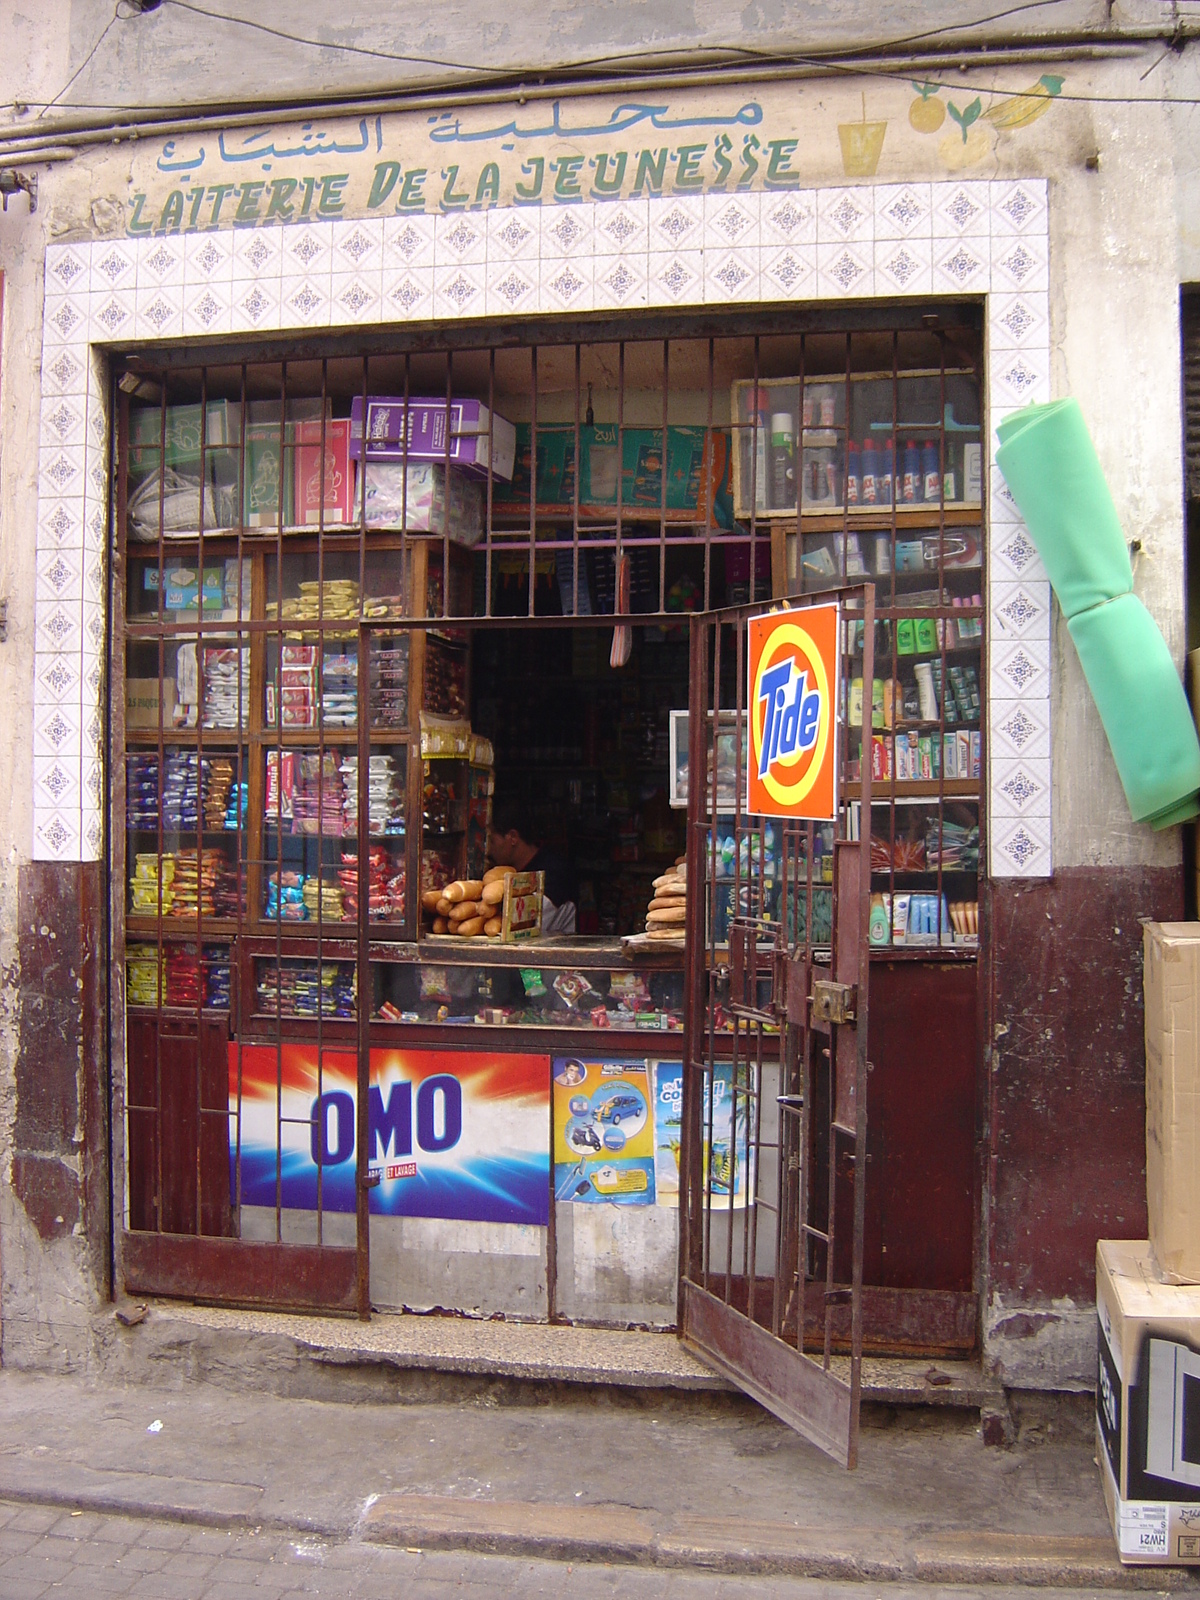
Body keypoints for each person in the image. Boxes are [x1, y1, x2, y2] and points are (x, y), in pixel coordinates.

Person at [488, 799, 578, 935]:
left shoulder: (553, 874)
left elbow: (524, 927)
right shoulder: (506, 872)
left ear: (513, 837)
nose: (488, 850)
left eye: (492, 841)